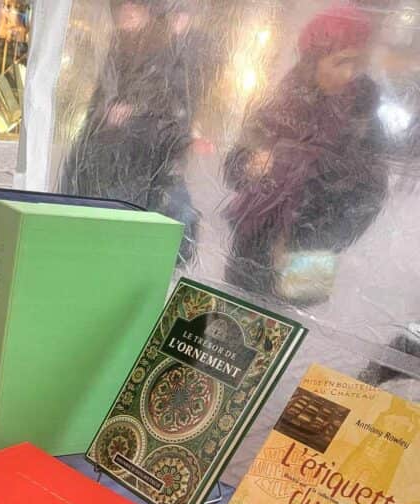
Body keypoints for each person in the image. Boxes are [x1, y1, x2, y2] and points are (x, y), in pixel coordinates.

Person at [222, 4, 388, 304]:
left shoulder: (363, 118)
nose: (349, 74)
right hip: (250, 250)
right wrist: (251, 164)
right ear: (314, 58)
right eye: (340, 61)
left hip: (309, 258)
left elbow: (370, 196)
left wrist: (308, 242)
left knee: (286, 337)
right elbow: (233, 164)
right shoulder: (282, 100)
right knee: (231, 336)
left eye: (356, 63)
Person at [58, 0, 204, 265]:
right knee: (99, 246)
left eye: (134, 6)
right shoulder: (118, 49)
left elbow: (176, 109)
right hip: (104, 163)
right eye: (121, 6)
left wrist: (134, 109)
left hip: (140, 165)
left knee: (123, 248)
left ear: (149, 12)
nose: (126, 11)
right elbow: (97, 106)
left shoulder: (169, 54)